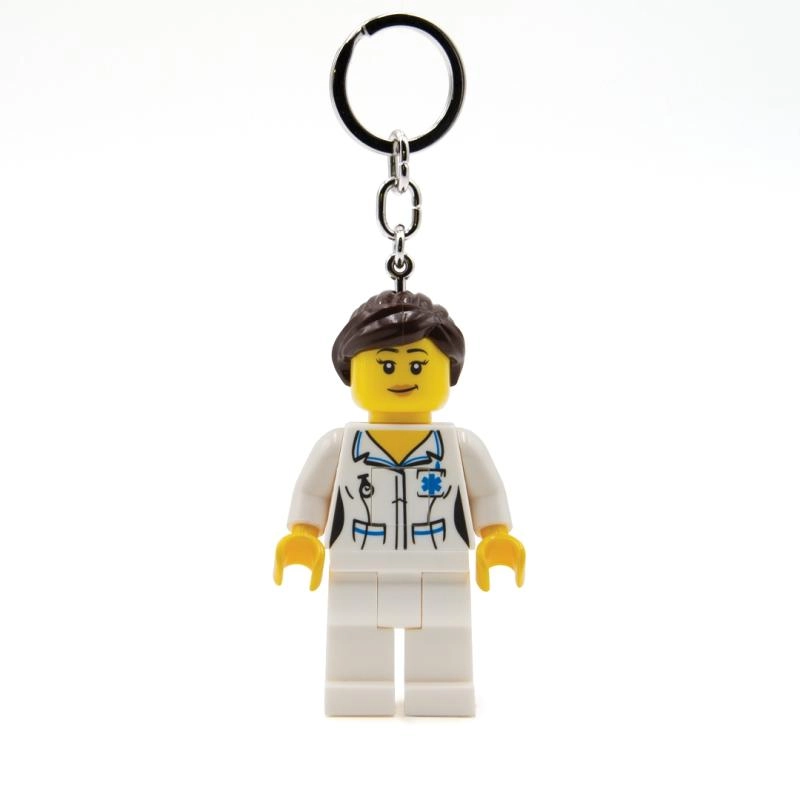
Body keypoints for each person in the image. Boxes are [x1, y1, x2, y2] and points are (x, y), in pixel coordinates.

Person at [274, 290, 525, 716]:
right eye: (386, 365)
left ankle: (442, 689)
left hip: (440, 562)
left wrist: (496, 536)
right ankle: (356, 688)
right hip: (358, 561)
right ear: (353, 371)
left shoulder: (458, 446)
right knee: (354, 630)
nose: (402, 377)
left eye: (419, 365)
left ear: (449, 371)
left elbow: (486, 493)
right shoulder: (341, 446)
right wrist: (303, 535)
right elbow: (312, 492)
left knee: (445, 631)